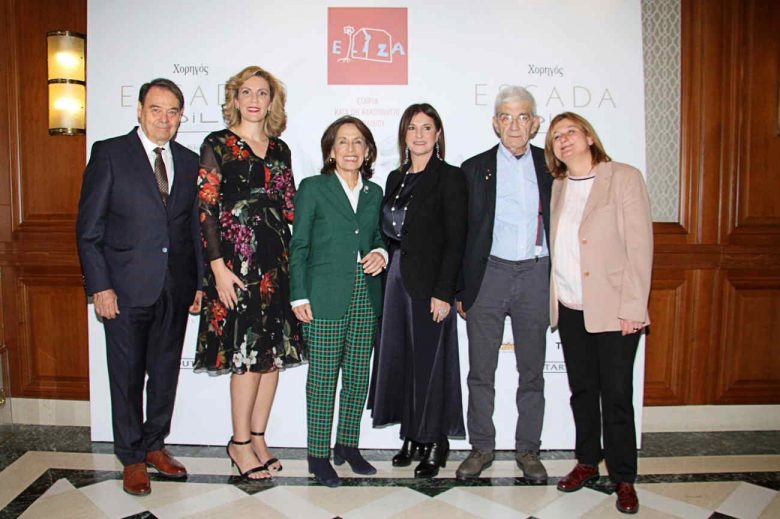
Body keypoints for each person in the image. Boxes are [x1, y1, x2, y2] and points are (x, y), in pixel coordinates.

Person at [76, 78, 203, 496]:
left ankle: (154, 446)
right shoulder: (110, 154)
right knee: (127, 378)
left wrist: (199, 283)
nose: (164, 119)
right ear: (140, 110)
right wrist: (100, 287)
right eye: (156, 109)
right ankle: (131, 457)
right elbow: (89, 230)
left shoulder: (188, 161)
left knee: (164, 375)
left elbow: (192, 229)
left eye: (172, 112)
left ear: (181, 116)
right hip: (124, 290)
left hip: (175, 288)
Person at [193, 66, 306, 480]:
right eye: (247, 92)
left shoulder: (280, 149)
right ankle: (239, 443)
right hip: (236, 266)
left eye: (262, 93)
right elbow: (205, 209)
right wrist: (218, 268)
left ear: (272, 101)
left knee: (271, 356)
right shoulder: (217, 144)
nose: (254, 99)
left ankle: (258, 437)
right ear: (235, 99)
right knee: (245, 355)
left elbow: (291, 207)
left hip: (276, 264)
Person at [545, 112, 652, 515]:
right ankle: (588, 461)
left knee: (617, 396)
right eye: (556, 136)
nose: (563, 139)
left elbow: (639, 247)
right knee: (583, 392)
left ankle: (623, 477)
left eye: (570, 131)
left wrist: (633, 307)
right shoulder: (559, 185)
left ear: (589, 137)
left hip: (614, 309)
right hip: (571, 307)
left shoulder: (622, 177)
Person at [455, 86, 553, 482]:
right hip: (488, 276)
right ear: (495, 123)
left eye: (522, 116)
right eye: (506, 117)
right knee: (481, 372)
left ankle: (528, 450)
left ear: (535, 123)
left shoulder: (552, 164)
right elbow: (460, 235)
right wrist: (461, 289)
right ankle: (481, 447)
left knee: (532, 372)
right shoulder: (473, 168)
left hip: (536, 274)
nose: (514, 125)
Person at [289, 116, 388, 488]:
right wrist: (298, 294)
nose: (350, 148)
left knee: (358, 377)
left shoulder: (374, 192)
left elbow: (377, 236)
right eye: (342, 141)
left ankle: (348, 445)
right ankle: (318, 455)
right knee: (323, 380)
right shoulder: (313, 188)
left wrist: (380, 252)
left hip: (366, 294)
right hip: (324, 296)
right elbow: (299, 245)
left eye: (358, 142)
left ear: (368, 151)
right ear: (331, 151)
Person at [370, 103, 467, 478]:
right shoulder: (395, 178)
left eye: (427, 128)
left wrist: (445, 292)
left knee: (430, 363)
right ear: (404, 135)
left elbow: (456, 240)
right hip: (395, 280)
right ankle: (411, 435)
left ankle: (435, 441)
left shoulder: (450, 177)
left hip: (430, 285)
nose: (420, 135)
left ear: (438, 134)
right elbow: (389, 232)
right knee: (403, 361)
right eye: (412, 128)